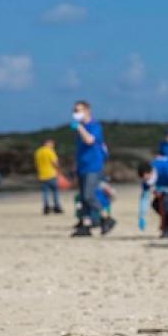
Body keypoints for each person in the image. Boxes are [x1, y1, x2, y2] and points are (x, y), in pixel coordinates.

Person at [70, 100, 107, 237]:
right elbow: (80, 149)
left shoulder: (94, 126)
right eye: (74, 110)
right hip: (82, 166)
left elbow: (90, 140)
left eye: (78, 110)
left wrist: (80, 128)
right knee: (82, 199)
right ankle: (85, 225)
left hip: (93, 166)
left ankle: (105, 217)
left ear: (87, 111)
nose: (75, 113)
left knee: (89, 195)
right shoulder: (81, 129)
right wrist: (75, 165)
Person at [137, 154, 168, 235]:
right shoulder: (146, 179)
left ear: (151, 173)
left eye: (148, 178)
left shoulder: (167, 170)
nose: (147, 181)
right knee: (156, 204)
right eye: (145, 179)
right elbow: (144, 197)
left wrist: (161, 189)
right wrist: (141, 216)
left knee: (166, 201)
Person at [34, 138, 64, 215]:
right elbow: (55, 162)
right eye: (52, 143)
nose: (53, 145)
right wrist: (60, 171)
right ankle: (57, 207)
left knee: (45, 192)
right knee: (55, 191)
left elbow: (37, 164)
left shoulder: (38, 152)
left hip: (42, 175)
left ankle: (46, 207)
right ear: (47, 143)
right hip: (51, 174)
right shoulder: (50, 151)